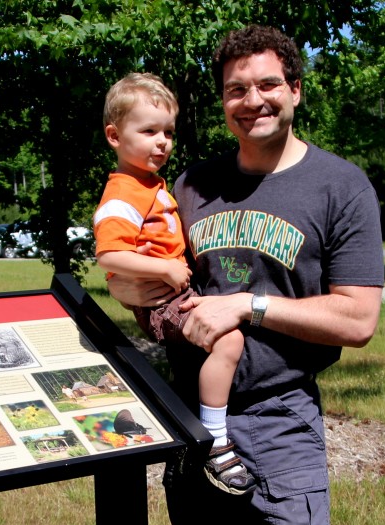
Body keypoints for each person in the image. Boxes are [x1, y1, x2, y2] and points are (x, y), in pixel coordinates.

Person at [107, 26, 384, 525]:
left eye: (266, 85)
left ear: (294, 88)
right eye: (236, 89)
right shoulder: (192, 185)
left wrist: (250, 303)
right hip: (198, 412)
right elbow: (145, 270)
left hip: (283, 407)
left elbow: (357, 318)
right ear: (222, 101)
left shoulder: (339, 185)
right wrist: (140, 299)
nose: (251, 100)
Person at [94, 72, 254, 494]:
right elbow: (108, 254)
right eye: (148, 131)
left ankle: (196, 422)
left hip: (173, 293)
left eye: (168, 132)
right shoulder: (123, 193)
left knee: (222, 340)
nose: (161, 141)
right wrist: (163, 271)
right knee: (229, 340)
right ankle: (215, 440)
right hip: (162, 299)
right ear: (114, 136)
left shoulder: (152, 185)